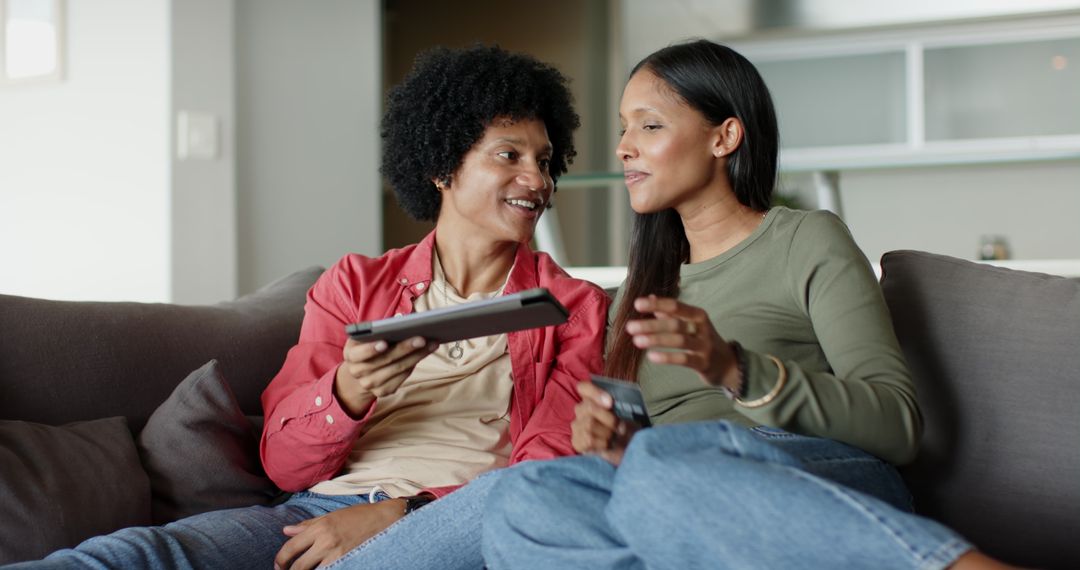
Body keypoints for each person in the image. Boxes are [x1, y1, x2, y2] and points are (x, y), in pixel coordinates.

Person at [13, 44, 608, 570]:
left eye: (544, 161)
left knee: (518, 494)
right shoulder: (353, 284)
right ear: (441, 166)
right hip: (315, 512)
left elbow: (542, 475)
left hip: (453, 518)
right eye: (509, 155)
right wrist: (350, 388)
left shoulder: (573, 307)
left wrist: (402, 512)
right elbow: (284, 465)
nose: (538, 180)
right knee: (135, 554)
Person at [480, 39, 1013, 570]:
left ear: (724, 137)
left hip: (809, 472)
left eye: (650, 125)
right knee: (527, 495)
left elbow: (898, 425)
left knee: (667, 462)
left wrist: (737, 370)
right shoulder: (633, 298)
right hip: (681, 497)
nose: (623, 147)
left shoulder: (805, 240)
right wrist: (616, 442)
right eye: (624, 127)